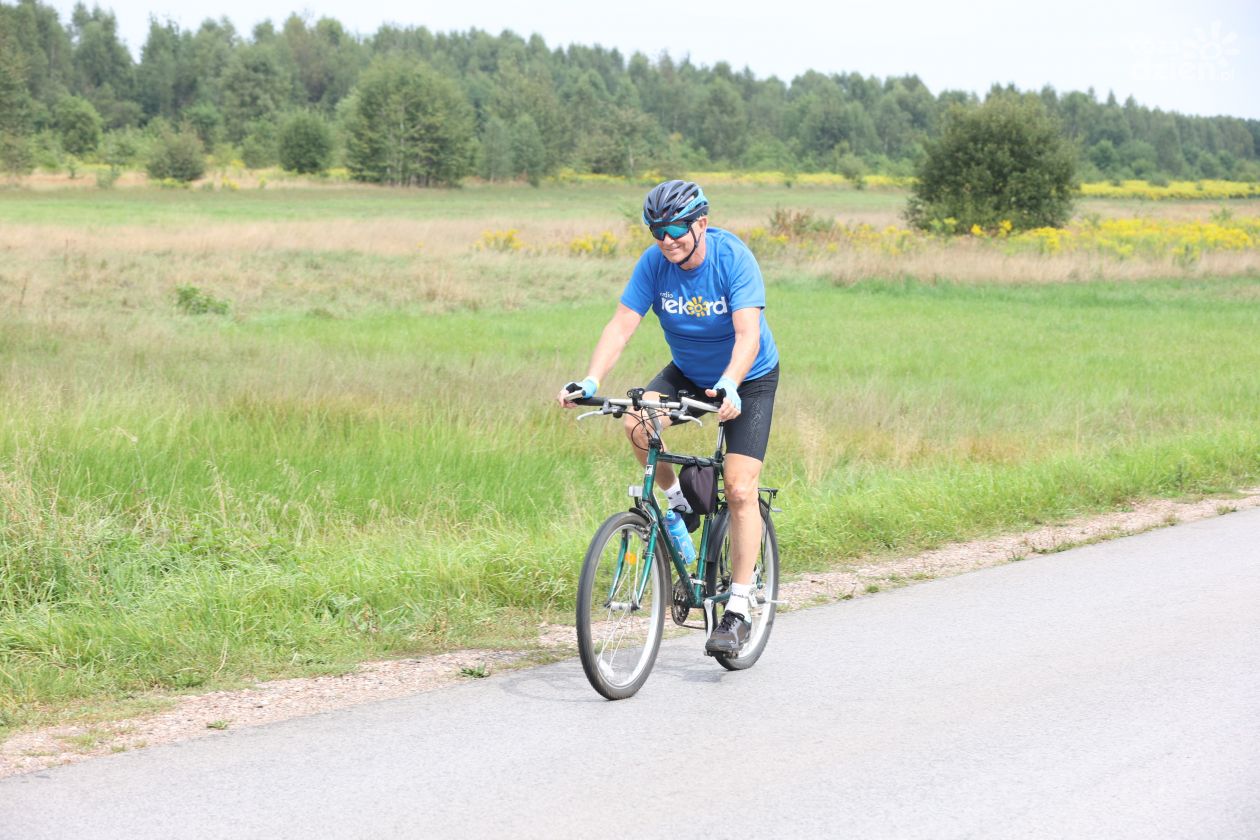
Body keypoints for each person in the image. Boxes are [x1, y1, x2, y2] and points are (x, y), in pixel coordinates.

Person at [557, 179, 779, 656]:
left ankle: (739, 608)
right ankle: (679, 509)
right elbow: (622, 325)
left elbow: (748, 335)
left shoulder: (733, 259)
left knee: (740, 488)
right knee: (636, 423)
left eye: (676, 229)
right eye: (656, 231)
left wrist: (731, 383)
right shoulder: (654, 264)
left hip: (748, 377)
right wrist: (591, 380)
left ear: (701, 223)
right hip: (689, 372)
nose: (666, 240)